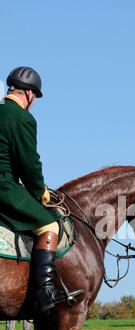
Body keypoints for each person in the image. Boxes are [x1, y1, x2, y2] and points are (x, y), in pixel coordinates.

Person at [0, 66, 82, 314]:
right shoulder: (22, 118)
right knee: (50, 225)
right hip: (5, 187)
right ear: (29, 94)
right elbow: (29, 163)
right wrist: (40, 191)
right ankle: (46, 291)